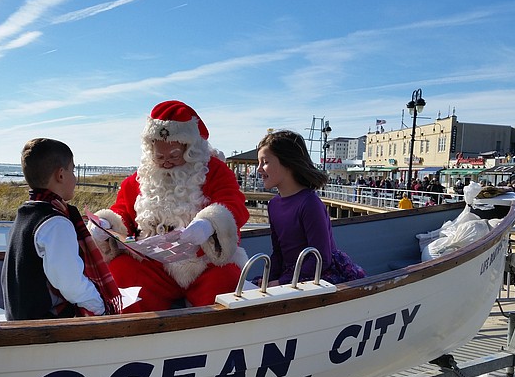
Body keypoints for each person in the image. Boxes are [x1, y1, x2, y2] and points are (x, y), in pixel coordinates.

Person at [88, 100, 249, 312]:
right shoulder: (141, 178)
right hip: (153, 266)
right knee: (120, 272)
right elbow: (123, 211)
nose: (165, 163)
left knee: (226, 280)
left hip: (203, 263)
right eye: (159, 156)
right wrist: (107, 224)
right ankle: (131, 334)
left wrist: (208, 224)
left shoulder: (215, 171)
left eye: (174, 155)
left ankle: (211, 339)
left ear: (189, 148)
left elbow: (233, 203)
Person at [1, 138, 121, 320]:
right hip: (45, 327)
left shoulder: (25, 214)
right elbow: (71, 283)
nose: (75, 176)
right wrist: (101, 309)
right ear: (61, 175)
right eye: (73, 170)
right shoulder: (55, 223)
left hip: (20, 318)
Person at [256, 130, 365, 286]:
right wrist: (269, 279)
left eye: (265, 162)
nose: (259, 169)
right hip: (293, 273)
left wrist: (282, 283)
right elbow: (279, 252)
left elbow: (321, 257)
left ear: (288, 163)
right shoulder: (273, 205)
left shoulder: (309, 203)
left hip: (319, 273)